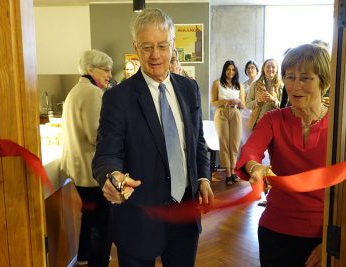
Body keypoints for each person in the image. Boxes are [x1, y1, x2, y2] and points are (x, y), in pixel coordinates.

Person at [92, 8, 214, 267]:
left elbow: (197, 141)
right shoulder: (117, 98)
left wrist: (202, 177)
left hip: (185, 214)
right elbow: (107, 155)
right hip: (138, 219)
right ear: (136, 46)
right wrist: (113, 177)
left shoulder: (189, 88)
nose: (156, 55)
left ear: (173, 45)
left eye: (162, 45)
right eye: (147, 47)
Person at [235, 43, 331, 267]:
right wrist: (254, 167)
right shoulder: (273, 119)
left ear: (323, 82)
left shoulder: (340, 124)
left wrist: (331, 240)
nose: (295, 86)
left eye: (306, 78)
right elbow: (250, 150)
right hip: (275, 230)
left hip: (323, 234)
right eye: (290, 77)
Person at [60, 49, 113, 266]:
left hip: (77, 168)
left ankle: (83, 257)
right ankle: (98, 262)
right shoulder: (92, 93)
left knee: (90, 216)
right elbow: (95, 135)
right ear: (91, 69)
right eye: (106, 70)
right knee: (103, 223)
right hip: (90, 170)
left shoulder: (75, 91)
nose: (110, 75)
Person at [211, 60, 245, 185]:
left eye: (233, 69)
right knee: (224, 142)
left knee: (235, 143)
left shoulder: (239, 85)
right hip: (222, 113)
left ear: (235, 71)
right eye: (228, 69)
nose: (230, 72)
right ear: (224, 70)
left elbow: (244, 105)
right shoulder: (217, 83)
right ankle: (228, 173)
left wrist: (237, 102)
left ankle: (234, 169)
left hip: (236, 113)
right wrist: (226, 101)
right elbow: (213, 101)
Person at [246, 58, 283, 131]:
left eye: (273, 67)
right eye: (268, 67)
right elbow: (247, 105)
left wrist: (273, 100)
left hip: (275, 126)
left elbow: (284, 108)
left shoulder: (281, 86)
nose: (270, 69)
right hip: (258, 124)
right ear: (263, 68)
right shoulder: (255, 85)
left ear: (276, 70)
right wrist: (258, 101)